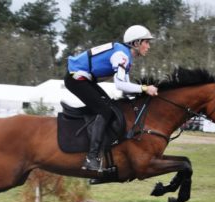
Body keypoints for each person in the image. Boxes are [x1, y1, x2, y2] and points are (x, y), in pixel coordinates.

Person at [65, 25, 158, 172]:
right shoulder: (122, 55)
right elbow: (120, 85)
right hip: (77, 79)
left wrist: (140, 94)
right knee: (105, 111)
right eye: (146, 42)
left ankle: (105, 153)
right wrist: (145, 88)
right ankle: (91, 157)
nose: (148, 46)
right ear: (136, 43)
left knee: (112, 108)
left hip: (83, 79)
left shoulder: (125, 54)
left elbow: (126, 87)